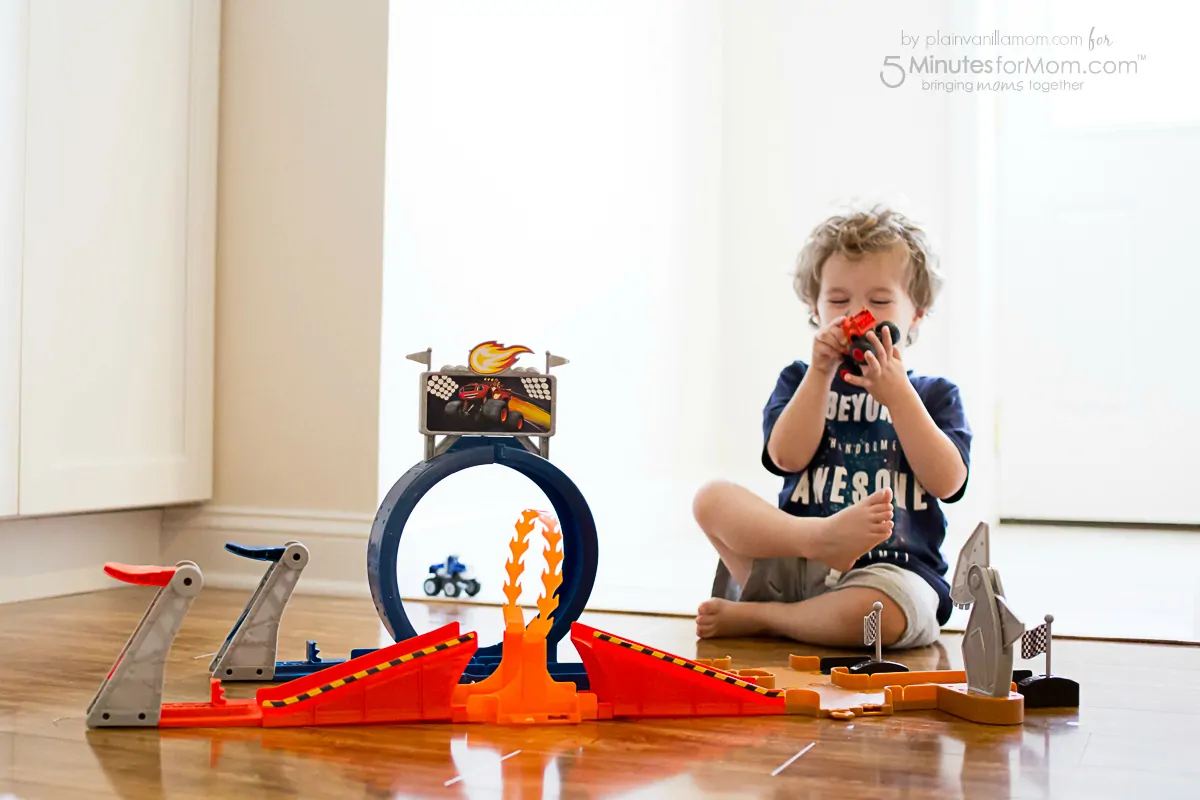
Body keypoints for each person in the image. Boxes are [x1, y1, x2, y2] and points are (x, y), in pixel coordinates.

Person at [693, 203, 972, 649]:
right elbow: (787, 457)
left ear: (916, 312)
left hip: (891, 573)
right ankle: (815, 553)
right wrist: (819, 372)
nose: (856, 312)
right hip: (799, 561)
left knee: (881, 618)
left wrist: (900, 398)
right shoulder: (800, 379)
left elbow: (947, 481)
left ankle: (767, 618)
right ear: (815, 308)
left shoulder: (935, 394)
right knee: (711, 499)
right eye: (839, 300)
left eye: (879, 301)